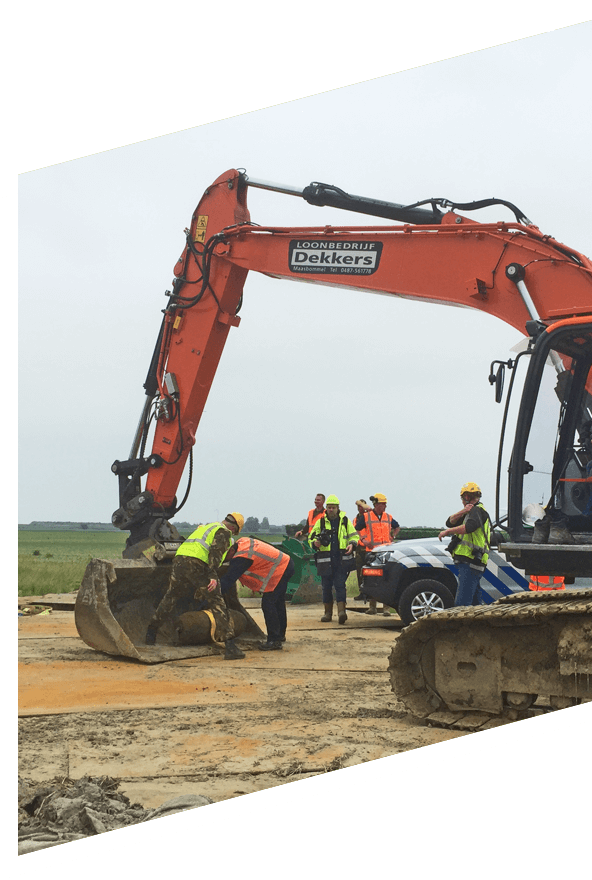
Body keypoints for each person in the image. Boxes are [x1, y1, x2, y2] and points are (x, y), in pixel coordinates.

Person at [145, 512, 246, 660]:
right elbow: (215, 554)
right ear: (234, 528)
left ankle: (151, 633)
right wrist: (212, 576)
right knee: (217, 602)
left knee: (171, 596)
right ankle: (230, 646)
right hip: (197, 564)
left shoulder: (207, 527)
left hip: (179, 561)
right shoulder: (224, 532)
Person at [220, 537, 295, 651]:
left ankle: (274, 640)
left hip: (281, 568)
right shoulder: (242, 543)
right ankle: (279, 635)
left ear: (230, 550)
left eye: (225, 556)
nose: (224, 559)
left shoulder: (242, 557)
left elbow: (228, 579)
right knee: (277, 602)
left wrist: (214, 594)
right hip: (286, 563)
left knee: (268, 603)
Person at [438, 482, 491, 607]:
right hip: (470, 561)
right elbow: (449, 522)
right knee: (475, 603)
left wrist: (447, 533)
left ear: (466, 497)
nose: (463, 500)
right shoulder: (470, 512)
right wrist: (463, 511)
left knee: (462, 604)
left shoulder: (477, 511)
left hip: (471, 561)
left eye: (464, 498)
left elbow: (468, 527)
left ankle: (459, 626)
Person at [309, 495, 359, 624]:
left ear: (338, 508)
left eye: (333, 508)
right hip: (325, 561)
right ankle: (328, 613)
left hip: (340, 560)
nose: (331, 510)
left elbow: (354, 536)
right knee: (326, 587)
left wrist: (352, 544)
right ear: (326, 508)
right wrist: (315, 543)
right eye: (329, 507)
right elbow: (311, 537)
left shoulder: (345, 521)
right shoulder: (320, 522)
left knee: (340, 586)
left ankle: (342, 612)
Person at [355, 493, 400, 614]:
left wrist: (393, 536)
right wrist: (364, 540)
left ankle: (386, 608)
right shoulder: (366, 516)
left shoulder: (388, 517)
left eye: (385, 504)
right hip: (372, 552)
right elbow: (358, 528)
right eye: (383, 504)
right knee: (372, 580)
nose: (385, 506)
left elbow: (397, 527)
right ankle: (372, 607)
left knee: (387, 579)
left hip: (386, 551)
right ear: (376, 504)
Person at [353, 499, 372, 598]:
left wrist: (362, 503)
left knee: (368, 573)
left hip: (368, 548)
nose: (360, 508)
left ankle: (369, 593)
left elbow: (370, 509)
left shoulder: (369, 516)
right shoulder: (356, 519)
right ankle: (362, 593)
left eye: (362, 506)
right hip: (359, 548)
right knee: (359, 572)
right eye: (359, 506)